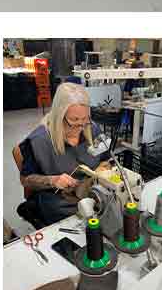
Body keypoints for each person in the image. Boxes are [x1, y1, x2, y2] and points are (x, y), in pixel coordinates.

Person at [18, 83, 106, 225]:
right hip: (60, 202)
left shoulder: (92, 129)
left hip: (92, 193)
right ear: (59, 115)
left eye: (84, 119)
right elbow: (25, 180)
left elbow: (106, 159)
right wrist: (52, 180)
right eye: (74, 120)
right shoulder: (39, 141)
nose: (81, 126)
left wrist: (103, 169)